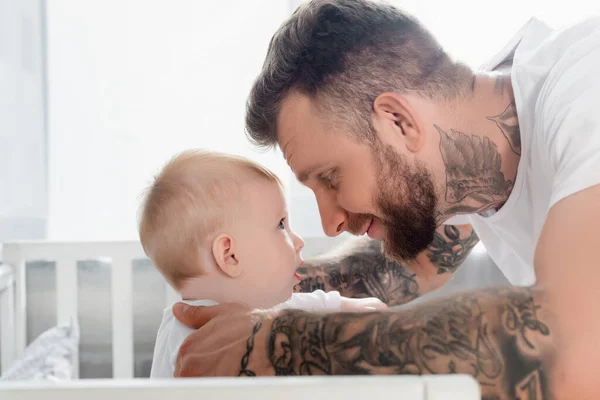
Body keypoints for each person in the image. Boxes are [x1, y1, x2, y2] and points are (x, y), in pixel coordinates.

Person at [171, 1, 600, 398]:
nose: (329, 223)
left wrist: (284, 345)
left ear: (397, 121)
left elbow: (577, 348)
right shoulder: (465, 142)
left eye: (331, 177)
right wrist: (238, 289)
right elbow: (413, 266)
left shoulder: (585, 89)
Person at [137, 150, 386, 377]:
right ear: (230, 255)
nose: (298, 241)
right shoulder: (186, 339)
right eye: (280, 225)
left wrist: (360, 309)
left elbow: (337, 306)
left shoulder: (270, 308)